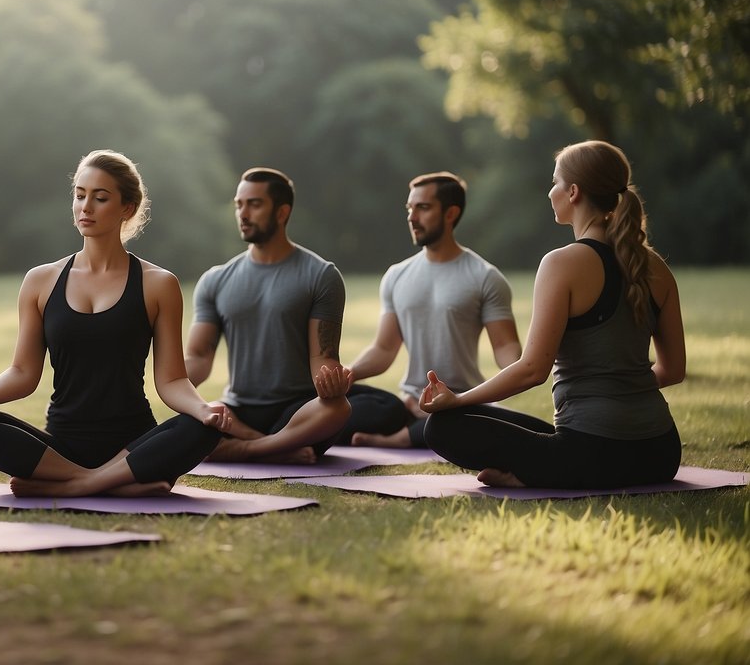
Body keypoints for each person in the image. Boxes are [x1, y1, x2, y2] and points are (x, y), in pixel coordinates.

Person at [0, 150, 229, 497]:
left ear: (127, 208)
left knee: (202, 428)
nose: (86, 207)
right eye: (80, 195)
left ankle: (77, 485)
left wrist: (204, 409)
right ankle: (112, 483)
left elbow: (171, 380)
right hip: (63, 444)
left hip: (132, 444)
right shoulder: (41, 281)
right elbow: (23, 372)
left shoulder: (159, 284)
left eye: (100, 197)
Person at [421, 140, 684, 488]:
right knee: (536, 432)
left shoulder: (561, 264)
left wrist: (457, 399)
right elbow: (674, 370)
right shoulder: (656, 268)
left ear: (573, 192)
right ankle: (540, 467)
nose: (550, 192)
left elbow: (532, 370)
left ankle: (534, 473)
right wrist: (621, 389)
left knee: (443, 425)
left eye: (555, 182)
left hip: (590, 452)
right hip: (661, 454)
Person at [340, 172, 522, 448]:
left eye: (423, 208)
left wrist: (526, 367)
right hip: (410, 403)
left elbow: (506, 348)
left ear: (451, 213)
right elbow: (384, 349)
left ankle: (397, 440)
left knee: (461, 423)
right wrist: (349, 373)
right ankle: (408, 430)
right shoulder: (396, 275)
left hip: (462, 404)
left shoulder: (485, 277)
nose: (412, 217)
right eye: (410, 209)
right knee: (363, 408)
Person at [184, 167, 352, 464]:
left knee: (338, 409)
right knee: (194, 416)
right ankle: (273, 448)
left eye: (254, 204)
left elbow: (322, 358)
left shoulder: (321, 275)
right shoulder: (215, 280)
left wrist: (331, 383)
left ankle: (247, 449)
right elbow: (198, 357)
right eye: (239, 204)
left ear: (282, 212)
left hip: (296, 410)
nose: (243, 213)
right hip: (236, 411)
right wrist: (176, 387)